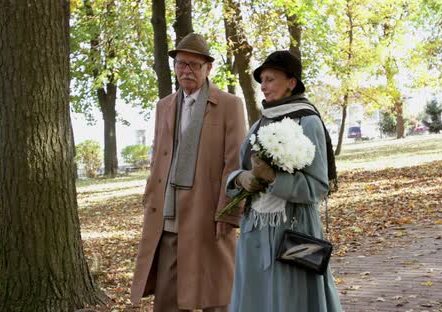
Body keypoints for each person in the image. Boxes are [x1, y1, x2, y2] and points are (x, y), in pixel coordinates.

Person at [130, 33, 247, 312]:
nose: (187, 70)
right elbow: (159, 157)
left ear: (208, 68)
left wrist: (230, 212)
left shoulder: (230, 105)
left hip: (209, 213)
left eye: (194, 65)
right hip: (168, 212)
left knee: (215, 293)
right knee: (169, 297)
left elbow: (235, 163)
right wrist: (151, 199)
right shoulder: (164, 106)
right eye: (181, 64)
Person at [226, 50, 343, 311]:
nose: (264, 87)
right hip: (254, 233)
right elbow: (239, 170)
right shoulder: (259, 125)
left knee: (292, 301)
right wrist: (241, 179)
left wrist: (274, 179)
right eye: (262, 81)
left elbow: (318, 187)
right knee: (255, 300)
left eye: (270, 79)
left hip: (292, 232)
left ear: (291, 82)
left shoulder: (308, 121)